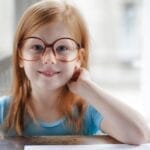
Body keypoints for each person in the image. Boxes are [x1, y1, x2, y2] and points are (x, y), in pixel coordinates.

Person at [0, 0, 149, 144]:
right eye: (37, 47)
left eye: (62, 48)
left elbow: (140, 134)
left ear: (79, 57)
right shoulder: (4, 109)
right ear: (20, 56)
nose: (49, 59)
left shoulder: (88, 110)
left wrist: (89, 88)